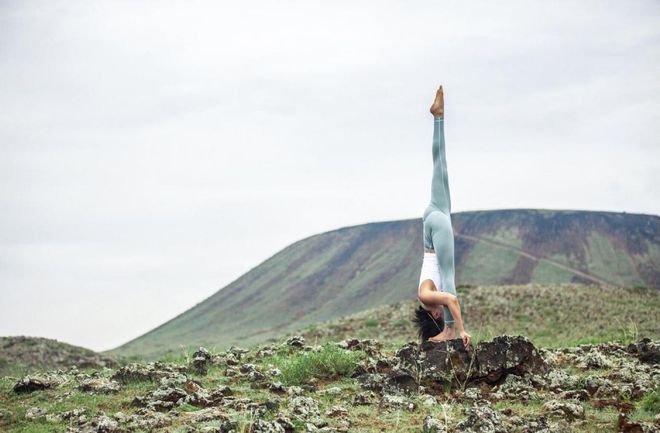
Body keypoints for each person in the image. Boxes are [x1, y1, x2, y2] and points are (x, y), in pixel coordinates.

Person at [412, 85, 472, 348]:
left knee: (450, 276)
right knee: (441, 165)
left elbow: (451, 297)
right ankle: (439, 117)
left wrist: (457, 329)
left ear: (435, 316)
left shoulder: (426, 295)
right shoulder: (427, 293)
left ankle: (446, 332)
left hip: (435, 231)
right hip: (435, 219)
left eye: (440, 317)